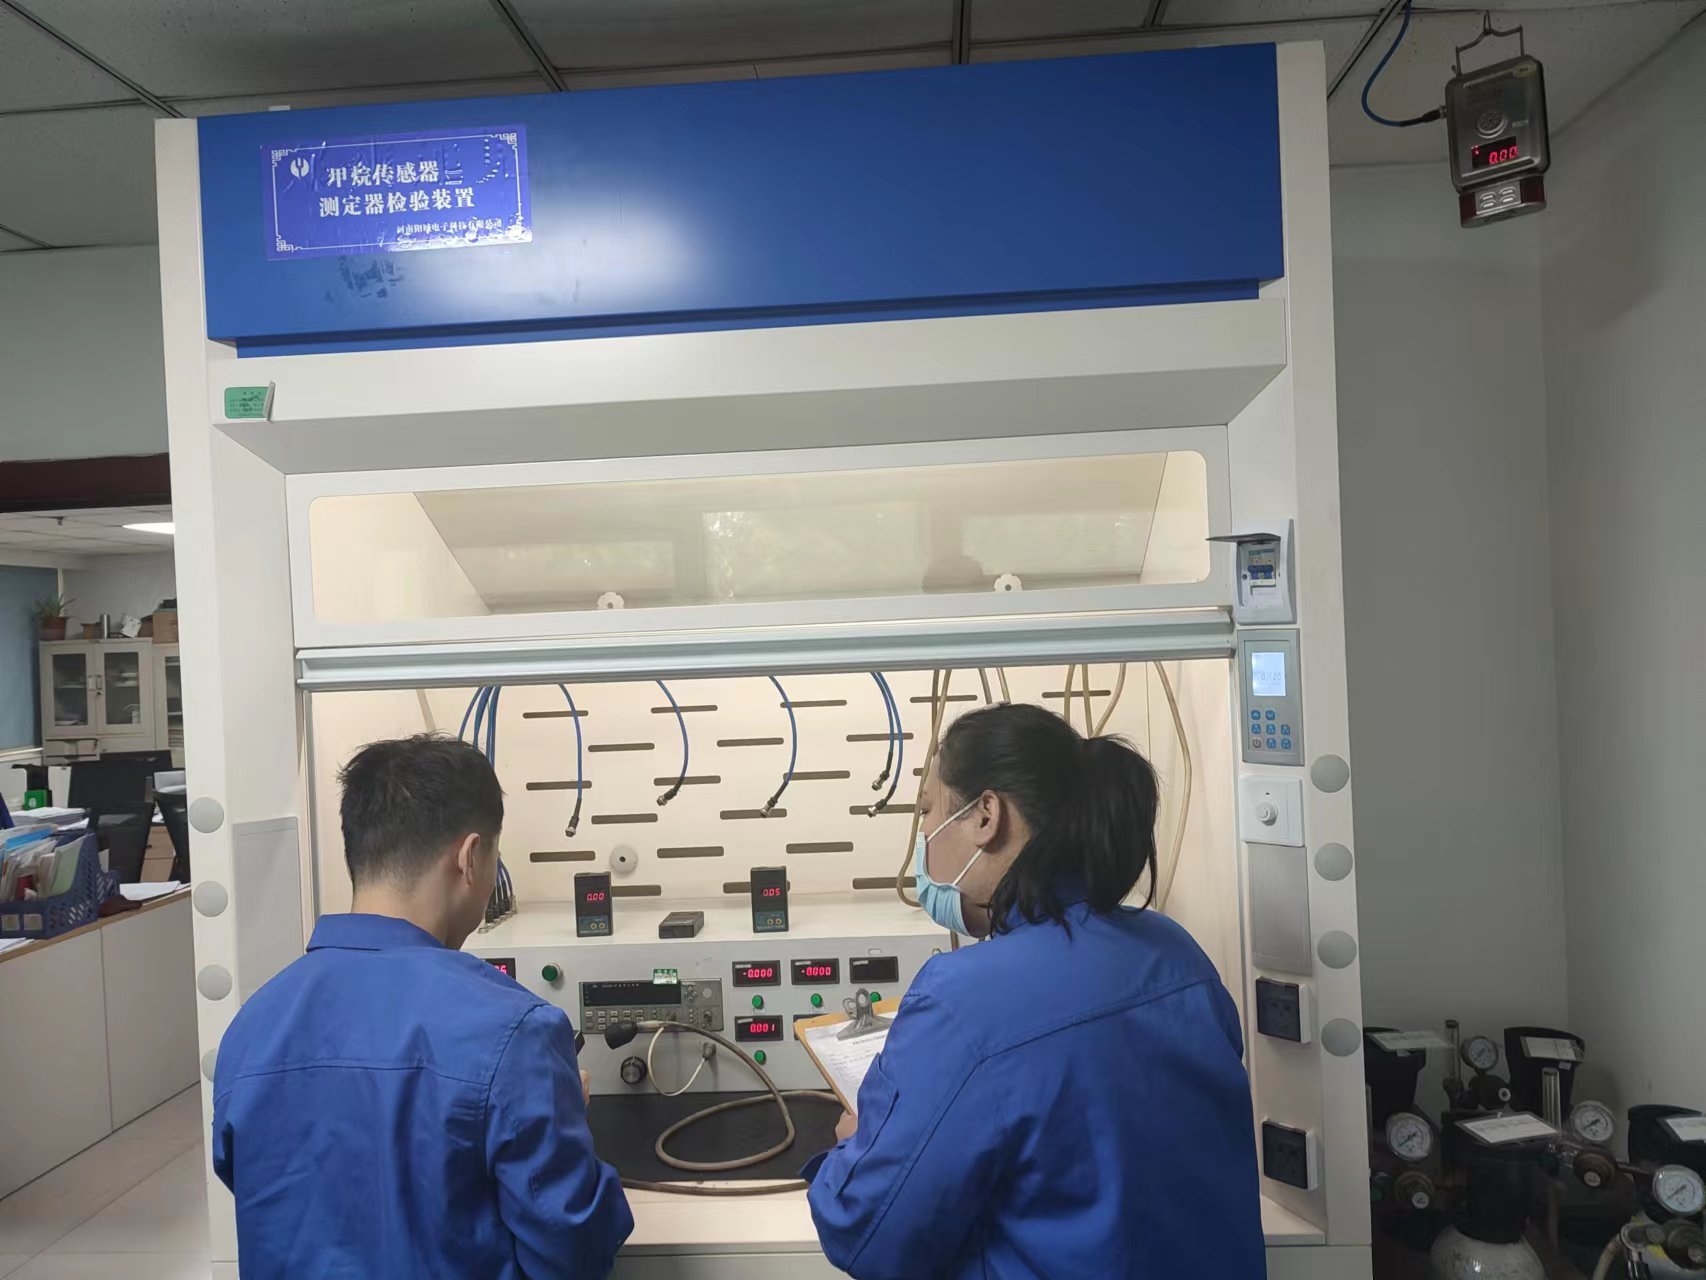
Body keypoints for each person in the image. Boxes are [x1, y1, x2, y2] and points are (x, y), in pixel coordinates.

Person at [806, 702, 1265, 1278]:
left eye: (926, 810)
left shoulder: (962, 999)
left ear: (986, 816)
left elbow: (867, 1234)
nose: (922, 834)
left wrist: (854, 1147)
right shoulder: (1176, 953)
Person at [212, 734, 632, 1279]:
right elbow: (574, 1251)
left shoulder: (252, 1026)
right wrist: (565, 1117)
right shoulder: (516, 1032)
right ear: (470, 858)